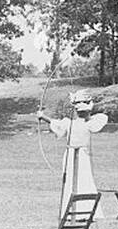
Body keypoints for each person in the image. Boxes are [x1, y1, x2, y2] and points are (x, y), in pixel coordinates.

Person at [38, 90, 108, 219]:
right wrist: (42, 116)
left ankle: (81, 212)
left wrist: (42, 116)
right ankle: (75, 212)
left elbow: (55, 123)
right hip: (74, 154)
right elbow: (57, 124)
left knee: (82, 180)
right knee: (74, 180)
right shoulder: (73, 123)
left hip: (80, 155)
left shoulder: (82, 123)